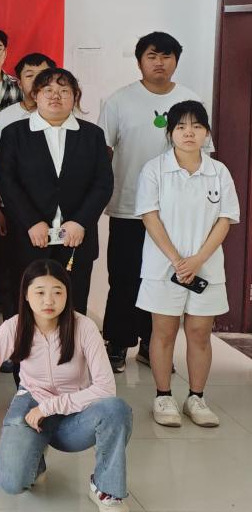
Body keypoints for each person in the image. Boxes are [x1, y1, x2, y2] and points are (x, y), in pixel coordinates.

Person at [0, 259, 132, 511]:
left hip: (75, 412)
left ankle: (105, 489)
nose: (49, 301)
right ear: (26, 295)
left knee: (116, 409)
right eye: (40, 292)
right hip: (30, 404)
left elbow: (105, 388)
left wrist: (49, 407)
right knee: (11, 483)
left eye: (57, 292)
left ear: (67, 294)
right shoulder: (13, 327)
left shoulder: (84, 327)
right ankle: (35, 460)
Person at [100, 31, 206, 373]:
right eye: (152, 55)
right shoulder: (119, 101)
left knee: (162, 279)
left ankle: (151, 345)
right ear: (139, 61)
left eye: (166, 56)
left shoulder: (190, 100)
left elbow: (203, 154)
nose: (159, 62)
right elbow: (103, 154)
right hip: (129, 206)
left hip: (174, 213)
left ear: (176, 61)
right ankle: (117, 343)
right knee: (124, 277)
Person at [135, 101, 240, 428]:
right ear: (170, 133)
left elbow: (225, 219)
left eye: (196, 126)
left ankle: (196, 397)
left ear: (206, 132)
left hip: (205, 267)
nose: (189, 132)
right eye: (181, 126)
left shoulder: (219, 171)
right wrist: (177, 260)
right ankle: (163, 396)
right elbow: (150, 217)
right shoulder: (154, 169)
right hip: (164, 266)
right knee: (163, 332)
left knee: (199, 332)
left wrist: (197, 260)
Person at [0, 68, 113, 315]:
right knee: (26, 307)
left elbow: (103, 183)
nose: (55, 96)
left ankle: (69, 344)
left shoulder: (92, 135)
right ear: (35, 95)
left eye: (64, 90)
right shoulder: (14, 133)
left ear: (75, 96)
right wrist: (31, 221)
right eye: (47, 90)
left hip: (76, 239)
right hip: (29, 238)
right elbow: (7, 181)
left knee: (72, 306)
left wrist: (80, 222)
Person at [0, 53, 57, 319]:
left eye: (43, 76)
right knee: (12, 270)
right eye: (29, 75)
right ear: (18, 82)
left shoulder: (62, 117)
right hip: (13, 210)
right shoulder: (6, 118)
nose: (36, 81)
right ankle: (13, 324)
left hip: (54, 215)